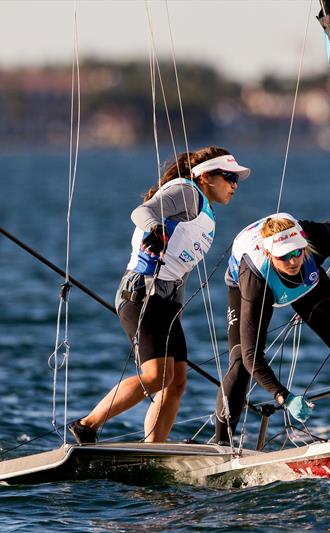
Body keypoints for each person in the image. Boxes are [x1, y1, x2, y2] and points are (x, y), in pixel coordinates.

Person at [70, 147, 250, 444]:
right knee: (155, 377)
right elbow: (142, 212)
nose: (234, 185)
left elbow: (180, 264)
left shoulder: (203, 208)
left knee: (176, 382)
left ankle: (153, 448)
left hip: (165, 303)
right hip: (143, 293)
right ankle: (87, 425)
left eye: (237, 180)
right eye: (229, 177)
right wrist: (154, 228)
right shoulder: (187, 191)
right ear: (205, 176)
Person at [213, 213, 330, 444]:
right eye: (285, 256)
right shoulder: (254, 281)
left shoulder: (312, 240)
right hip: (250, 286)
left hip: (306, 284)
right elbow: (252, 357)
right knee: (240, 363)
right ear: (270, 254)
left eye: (297, 251)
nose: (293, 261)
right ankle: (221, 445)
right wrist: (285, 398)